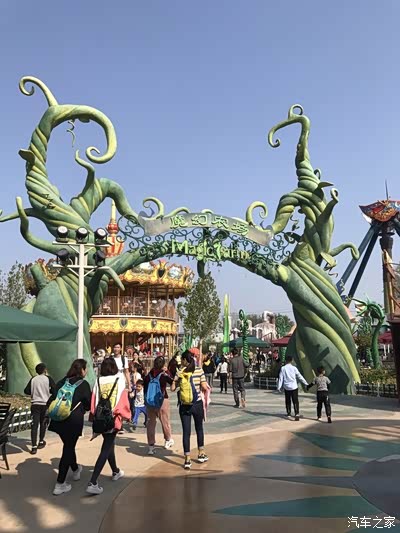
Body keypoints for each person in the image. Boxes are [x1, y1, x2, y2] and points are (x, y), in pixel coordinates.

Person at [87, 357, 131, 495]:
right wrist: (126, 415)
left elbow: (94, 400)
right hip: (113, 417)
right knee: (106, 448)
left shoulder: (98, 380)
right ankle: (93, 481)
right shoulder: (119, 379)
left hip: (100, 418)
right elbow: (123, 400)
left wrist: (93, 415)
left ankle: (115, 471)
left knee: (109, 443)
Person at [48, 359, 91, 496]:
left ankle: (76, 469)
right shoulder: (84, 384)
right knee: (68, 449)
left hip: (58, 420)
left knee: (68, 445)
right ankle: (60, 483)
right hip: (73, 421)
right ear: (82, 370)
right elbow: (88, 404)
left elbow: (53, 397)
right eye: (85, 368)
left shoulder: (62, 381)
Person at [171, 351, 208, 470]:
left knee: (186, 432)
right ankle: (201, 453)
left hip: (184, 406)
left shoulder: (180, 372)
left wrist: (175, 381)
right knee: (199, 428)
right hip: (197, 404)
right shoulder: (199, 370)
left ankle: (187, 459)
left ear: (184, 360)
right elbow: (204, 387)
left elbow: (172, 388)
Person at [143, 356, 174, 455]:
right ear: (163, 364)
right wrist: (167, 371)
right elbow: (172, 381)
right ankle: (168, 439)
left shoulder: (148, 375)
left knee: (151, 424)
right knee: (165, 421)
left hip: (150, 402)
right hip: (162, 400)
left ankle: (151, 446)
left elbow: (145, 388)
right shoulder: (163, 375)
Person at [24, 363, 56, 455]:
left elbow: (26, 391)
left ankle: (33, 447)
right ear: (45, 370)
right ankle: (41, 441)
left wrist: (34, 392)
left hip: (35, 404)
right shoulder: (48, 379)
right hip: (45, 404)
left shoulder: (33, 379)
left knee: (34, 425)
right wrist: (49, 393)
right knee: (43, 423)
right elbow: (55, 391)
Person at [277, 356, 308, 421]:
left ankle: (288, 413)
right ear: (292, 360)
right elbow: (299, 376)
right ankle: (297, 413)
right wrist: (306, 383)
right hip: (294, 387)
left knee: (288, 400)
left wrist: (279, 387)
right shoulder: (294, 368)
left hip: (286, 387)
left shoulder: (283, 368)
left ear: (285, 361)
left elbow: (281, 378)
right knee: (295, 400)